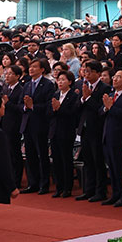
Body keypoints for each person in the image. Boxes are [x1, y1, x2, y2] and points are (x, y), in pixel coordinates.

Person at [76, 60, 111, 202]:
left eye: (89, 71)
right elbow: (77, 107)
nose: (86, 74)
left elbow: (100, 110)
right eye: (85, 71)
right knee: (88, 161)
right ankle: (88, 190)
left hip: (97, 129)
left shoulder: (105, 88)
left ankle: (100, 191)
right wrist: (83, 99)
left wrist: (89, 98)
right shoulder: (82, 86)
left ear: (97, 73)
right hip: (84, 128)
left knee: (98, 161)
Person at [100, 68, 122, 207]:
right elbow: (101, 112)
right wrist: (106, 108)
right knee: (112, 168)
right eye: (114, 77)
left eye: (118, 77)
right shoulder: (110, 94)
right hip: (108, 136)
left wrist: (111, 108)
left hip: (120, 137)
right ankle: (115, 194)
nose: (114, 79)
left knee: (120, 168)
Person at [21, 58, 56, 194]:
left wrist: (33, 106)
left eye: (35, 67)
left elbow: (49, 105)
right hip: (27, 123)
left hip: (41, 123)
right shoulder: (27, 85)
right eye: (30, 66)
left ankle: (44, 184)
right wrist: (25, 107)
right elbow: (20, 103)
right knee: (30, 155)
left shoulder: (48, 84)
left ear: (42, 69)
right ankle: (32, 183)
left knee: (42, 154)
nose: (31, 69)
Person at [48, 68, 80, 197]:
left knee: (66, 159)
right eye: (58, 79)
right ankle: (59, 187)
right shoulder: (55, 95)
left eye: (63, 80)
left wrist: (59, 109)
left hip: (66, 131)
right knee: (56, 160)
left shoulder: (73, 96)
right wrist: (54, 110)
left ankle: (67, 187)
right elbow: (48, 112)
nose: (60, 82)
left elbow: (73, 114)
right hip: (54, 131)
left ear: (70, 82)